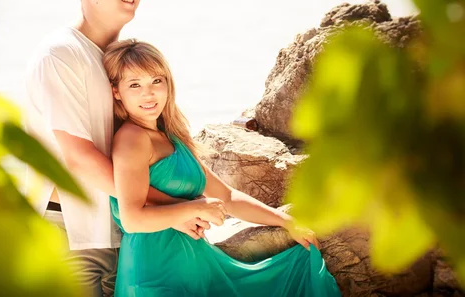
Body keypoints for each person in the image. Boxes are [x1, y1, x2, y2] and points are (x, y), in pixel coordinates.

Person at [23, 0, 209, 297]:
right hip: (73, 234)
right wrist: (178, 208)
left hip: (122, 228)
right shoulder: (62, 54)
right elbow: (77, 158)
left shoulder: (117, 60)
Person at [102, 39, 342, 297]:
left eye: (156, 81)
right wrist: (195, 208)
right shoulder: (132, 139)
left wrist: (285, 221)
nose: (148, 94)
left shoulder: (169, 136)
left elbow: (226, 196)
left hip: (195, 264)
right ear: (116, 91)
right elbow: (132, 218)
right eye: (134, 85)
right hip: (153, 274)